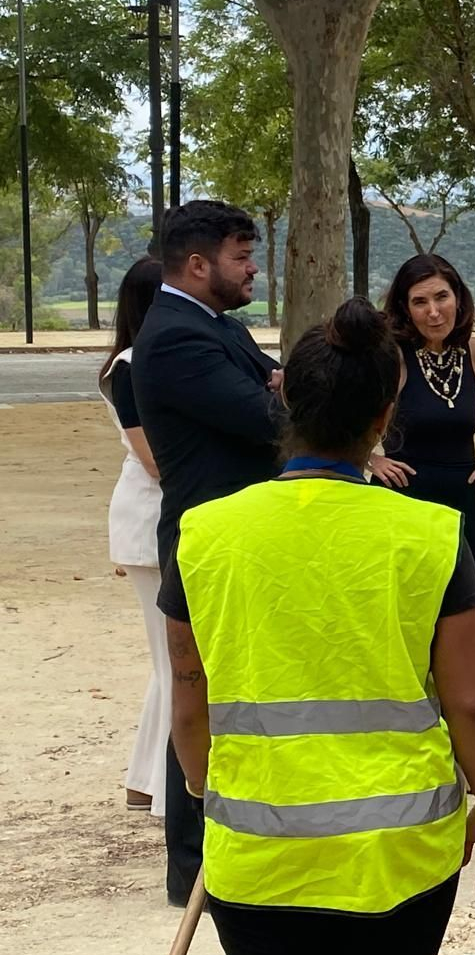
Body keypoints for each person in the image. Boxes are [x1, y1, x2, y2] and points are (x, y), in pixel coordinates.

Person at [163, 296, 475, 955]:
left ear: (283, 392)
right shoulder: (428, 531)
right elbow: (472, 701)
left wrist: (205, 790)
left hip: (256, 844)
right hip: (398, 849)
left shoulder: (205, 532)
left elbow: (190, 697)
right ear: (388, 409)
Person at [132, 199, 282, 908]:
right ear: (197, 265)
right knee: (200, 695)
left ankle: (231, 842)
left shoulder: (216, 325)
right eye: (242, 258)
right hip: (209, 540)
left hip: (243, 534)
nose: (253, 271)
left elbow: (277, 387)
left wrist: (277, 386)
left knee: (230, 691)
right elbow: (266, 416)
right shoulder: (175, 339)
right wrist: (277, 393)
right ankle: (192, 865)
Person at [371, 254, 475, 580]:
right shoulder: (393, 356)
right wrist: (372, 460)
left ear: (458, 298)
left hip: (461, 496)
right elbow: (345, 417)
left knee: (461, 604)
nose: (433, 312)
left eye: (441, 297)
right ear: (405, 309)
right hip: (404, 496)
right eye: (419, 302)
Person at [97, 256, 167, 815]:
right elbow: (153, 460)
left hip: (157, 519)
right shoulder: (130, 367)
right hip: (151, 521)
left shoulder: (151, 359)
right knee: (175, 663)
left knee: (168, 664)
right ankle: (170, 791)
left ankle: (146, 783)